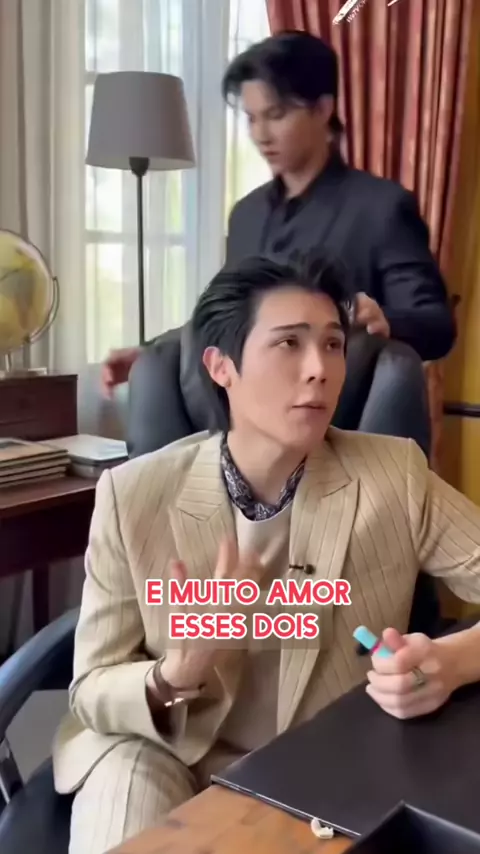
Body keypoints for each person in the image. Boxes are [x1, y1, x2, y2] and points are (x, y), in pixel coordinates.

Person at [55, 253, 479, 854]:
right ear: (221, 367)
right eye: (289, 344)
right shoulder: (133, 495)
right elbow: (92, 687)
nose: (320, 370)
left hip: (319, 765)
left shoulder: (394, 476)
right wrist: (177, 673)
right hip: (154, 750)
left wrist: (454, 660)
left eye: (333, 345)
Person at [101, 31, 455, 398]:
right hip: (246, 403)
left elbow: (437, 325)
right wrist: (151, 350)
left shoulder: (381, 207)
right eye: (251, 119)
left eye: (276, 115)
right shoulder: (246, 215)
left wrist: (385, 319)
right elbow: (223, 315)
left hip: (332, 400)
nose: (261, 135)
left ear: (323, 109)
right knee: (156, 372)